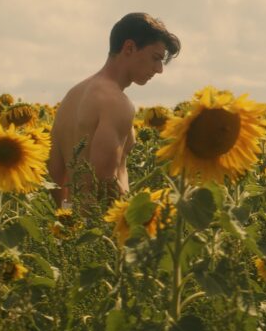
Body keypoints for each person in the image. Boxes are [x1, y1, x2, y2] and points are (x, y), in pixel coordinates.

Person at [48, 13, 180, 208]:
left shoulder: (72, 96)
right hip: (108, 227)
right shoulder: (116, 103)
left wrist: (70, 221)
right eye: (155, 58)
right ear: (129, 48)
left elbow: (54, 172)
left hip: (77, 228)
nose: (159, 69)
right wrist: (139, 221)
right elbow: (104, 179)